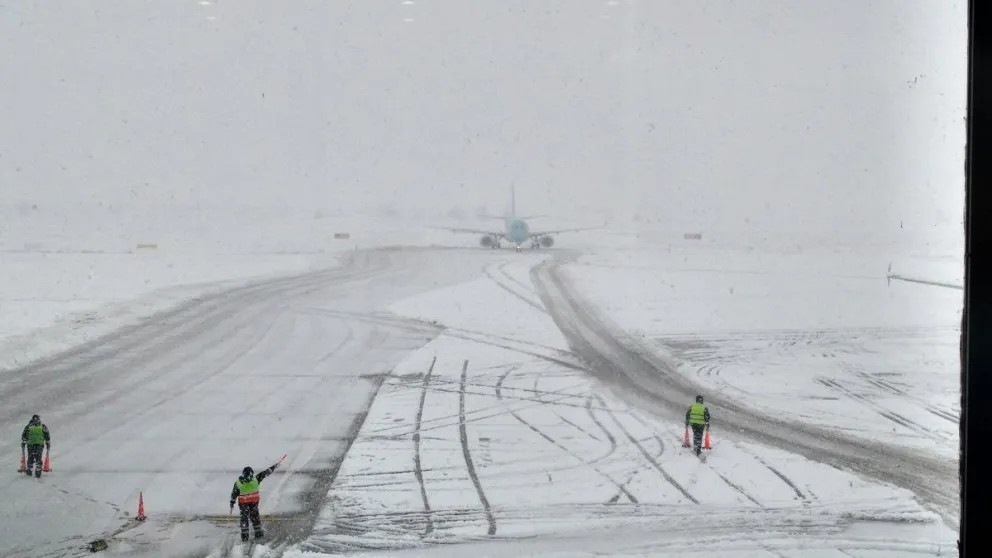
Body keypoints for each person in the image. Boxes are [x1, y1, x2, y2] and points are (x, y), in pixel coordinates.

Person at [230, 460, 281, 542]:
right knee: (255, 517)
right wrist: (274, 466)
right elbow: (265, 473)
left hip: (243, 504)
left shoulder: (238, 483)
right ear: (251, 473)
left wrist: (232, 502)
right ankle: (258, 533)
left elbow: (234, 493)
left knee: (244, 518)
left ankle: (245, 536)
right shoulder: (256, 479)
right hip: (253, 503)